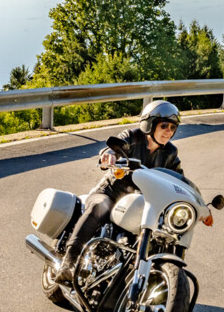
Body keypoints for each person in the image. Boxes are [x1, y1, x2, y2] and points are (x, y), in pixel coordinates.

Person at [52, 99, 183, 284]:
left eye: (172, 127)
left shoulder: (170, 152)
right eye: (164, 126)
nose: (168, 131)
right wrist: (109, 155)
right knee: (99, 207)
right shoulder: (133, 136)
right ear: (150, 124)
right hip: (111, 193)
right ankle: (69, 261)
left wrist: (197, 204)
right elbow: (115, 146)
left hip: (141, 204)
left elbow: (178, 178)